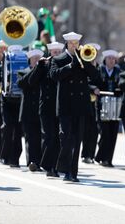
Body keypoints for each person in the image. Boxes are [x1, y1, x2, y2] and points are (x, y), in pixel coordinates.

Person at [49, 32, 100, 182]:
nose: (74, 45)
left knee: (77, 139)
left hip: (80, 105)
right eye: (71, 43)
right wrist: (71, 66)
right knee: (65, 137)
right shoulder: (58, 59)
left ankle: (73, 172)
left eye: (76, 43)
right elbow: (54, 75)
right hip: (65, 105)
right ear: (66, 44)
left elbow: (96, 76)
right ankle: (63, 168)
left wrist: (87, 63)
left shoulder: (84, 58)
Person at [30, 41, 64, 177]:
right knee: (50, 137)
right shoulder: (44, 65)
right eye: (54, 52)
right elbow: (31, 81)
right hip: (46, 107)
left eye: (58, 52)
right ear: (50, 53)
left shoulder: (63, 65)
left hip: (59, 107)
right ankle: (45, 164)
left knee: (57, 138)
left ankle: (52, 168)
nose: (56, 54)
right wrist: (38, 66)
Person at [17, 49, 44, 172]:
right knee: (30, 138)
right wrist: (35, 69)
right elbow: (22, 83)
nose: (37, 61)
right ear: (30, 61)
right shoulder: (23, 72)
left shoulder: (43, 73)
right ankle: (31, 162)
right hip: (28, 111)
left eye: (39, 58)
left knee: (40, 137)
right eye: (34, 59)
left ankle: (39, 162)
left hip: (40, 110)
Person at [0, 45, 24, 167]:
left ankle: (15, 159)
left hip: (20, 100)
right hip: (7, 101)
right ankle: (5, 155)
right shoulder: (2, 65)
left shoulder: (25, 62)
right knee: (8, 127)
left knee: (18, 130)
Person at [95, 49, 121, 168]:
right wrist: (94, 89)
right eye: (109, 58)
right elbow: (91, 82)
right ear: (105, 60)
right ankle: (101, 157)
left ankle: (108, 159)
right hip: (102, 105)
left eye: (113, 58)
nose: (111, 61)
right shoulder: (99, 70)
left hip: (115, 106)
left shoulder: (119, 71)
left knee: (113, 133)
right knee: (105, 133)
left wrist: (119, 90)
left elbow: (123, 84)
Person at [81, 43, 101, 164]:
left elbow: (101, 81)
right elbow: (84, 83)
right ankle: (85, 154)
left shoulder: (98, 67)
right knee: (86, 130)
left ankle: (91, 155)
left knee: (94, 130)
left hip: (96, 103)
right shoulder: (84, 67)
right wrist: (93, 88)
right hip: (85, 101)